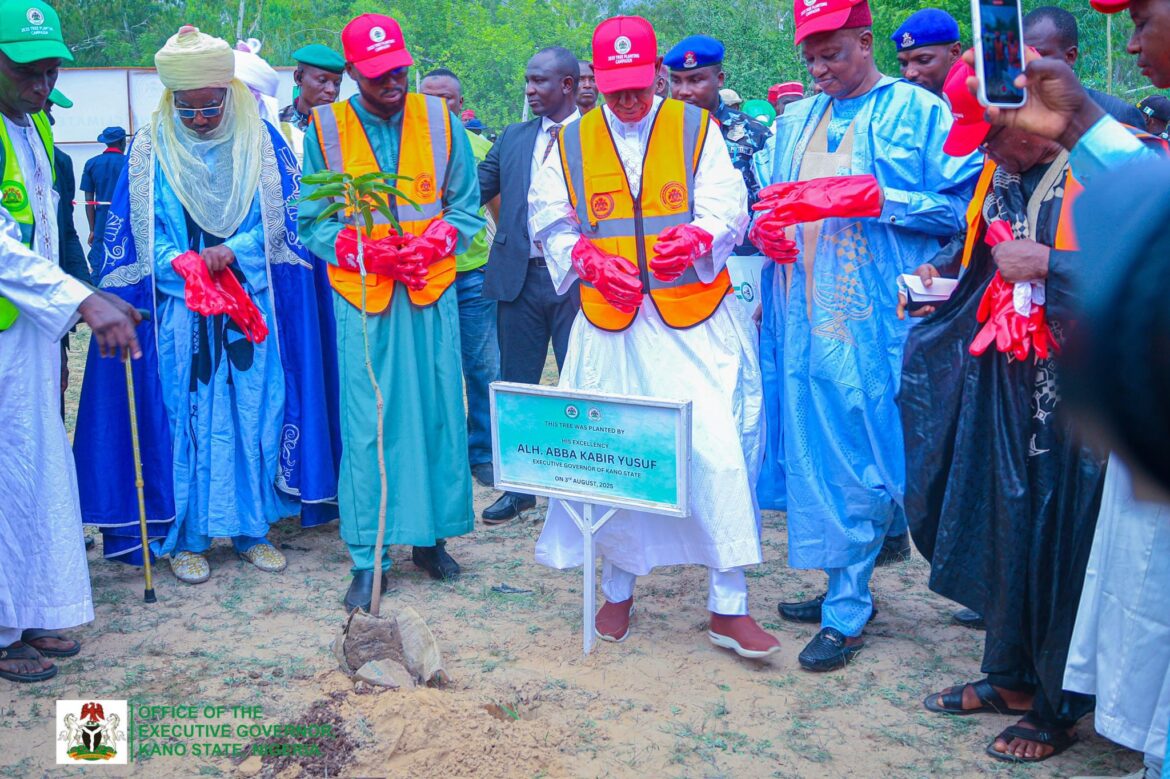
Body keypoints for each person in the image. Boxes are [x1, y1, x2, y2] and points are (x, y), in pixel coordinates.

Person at [902, 56, 1168, 765]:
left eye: (990, 134)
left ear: (1028, 120)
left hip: (1087, 406)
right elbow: (991, 263)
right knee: (1009, 528)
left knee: (1065, 547)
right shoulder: (1008, 174)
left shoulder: (1111, 170)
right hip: (1016, 387)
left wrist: (1050, 265)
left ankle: (1057, 704)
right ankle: (1011, 676)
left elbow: (1141, 285)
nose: (984, 150)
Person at [530, 15, 780, 660]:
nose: (628, 100)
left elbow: (728, 206)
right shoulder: (570, 141)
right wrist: (584, 257)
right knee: (618, 456)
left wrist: (701, 238)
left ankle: (729, 606)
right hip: (610, 322)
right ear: (594, 82)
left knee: (718, 454)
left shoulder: (699, 128)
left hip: (692, 316)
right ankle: (618, 590)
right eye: (614, 89)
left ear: (659, 78)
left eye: (639, 86)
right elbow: (548, 216)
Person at [753, 0, 979, 671]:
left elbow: (964, 210)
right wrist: (764, 229)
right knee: (819, 452)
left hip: (879, 321)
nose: (820, 68)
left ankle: (861, 603)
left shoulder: (920, 112)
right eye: (811, 56)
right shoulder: (795, 119)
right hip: (802, 314)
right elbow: (766, 196)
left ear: (864, 39)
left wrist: (875, 197)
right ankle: (842, 587)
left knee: (871, 453)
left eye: (833, 53)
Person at [73, 26, 342, 585]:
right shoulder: (149, 149)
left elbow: (283, 226)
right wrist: (184, 264)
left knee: (254, 413)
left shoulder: (262, 143)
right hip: (183, 310)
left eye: (209, 107)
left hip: (249, 308)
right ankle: (188, 537)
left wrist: (231, 251)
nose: (199, 120)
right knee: (186, 418)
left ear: (230, 94)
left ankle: (252, 529)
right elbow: (138, 234)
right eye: (187, 110)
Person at [298, 14, 483, 609]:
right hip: (365, 295)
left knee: (436, 414)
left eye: (399, 69)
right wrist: (367, 251)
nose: (392, 82)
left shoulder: (441, 120)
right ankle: (367, 557)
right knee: (370, 421)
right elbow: (314, 222)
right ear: (352, 74)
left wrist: (434, 242)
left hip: (430, 290)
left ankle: (430, 540)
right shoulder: (324, 131)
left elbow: (465, 208)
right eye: (377, 75)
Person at [0, 0, 142, 684]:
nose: (43, 82)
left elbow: (42, 241)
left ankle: (22, 612)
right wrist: (79, 299)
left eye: (52, 68)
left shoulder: (27, 131)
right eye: (29, 68)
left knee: (28, 471)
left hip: (24, 336)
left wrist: (89, 296)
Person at [477, 47, 581, 524]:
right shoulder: (514, 138)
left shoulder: (597, 135)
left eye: (539, 81)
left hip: (578, 280)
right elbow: (472, 189)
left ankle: (581, 485)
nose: (529, 89)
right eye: (527, 80)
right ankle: (519, 489)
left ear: (568, 84)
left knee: (580, 383)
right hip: (519, 277)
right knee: (516, 386)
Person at [421, 67, 500, 488]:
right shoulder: (404, 148)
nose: (436, 107)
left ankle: (484, 451)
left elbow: (498, 212)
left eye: (445, 100)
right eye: (428, 98)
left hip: (472, 274)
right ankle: (443, 453)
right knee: (436, 368)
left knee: (483, 366)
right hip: (424, 276)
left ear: (460, 105)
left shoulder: (478, 146)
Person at [664, 34, 770, 235]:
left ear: (719, 79)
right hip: (673, 252)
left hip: (741, 255)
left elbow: (769, 201)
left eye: (695, 80)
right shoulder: (659, 133)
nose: (684, 91)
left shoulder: (755, 135)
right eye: (676, 81)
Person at [1023, 6, 1146, 127]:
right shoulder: (1012, 112)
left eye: (1036, 53)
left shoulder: (1118, 115)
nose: (1027, 63)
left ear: (1070, 56)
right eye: (1022, 55)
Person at [278, 43, 345, 159]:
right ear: (298, 78)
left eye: (337, 83)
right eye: (322, 80)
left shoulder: (345, 126)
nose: (331, 90)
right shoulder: (277, 124)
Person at [80, 126, 127, 270]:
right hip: (126, 221)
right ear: (123, 142)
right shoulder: (130, 163)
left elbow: (89, 201)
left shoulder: (92, 163)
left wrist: (92, 229)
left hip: (101, 223)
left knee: (99, 265)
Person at [890, 8, 962, 97]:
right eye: (904, 64)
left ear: (954, 52)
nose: (909, 74)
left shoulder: (978, 100)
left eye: (923, 60)